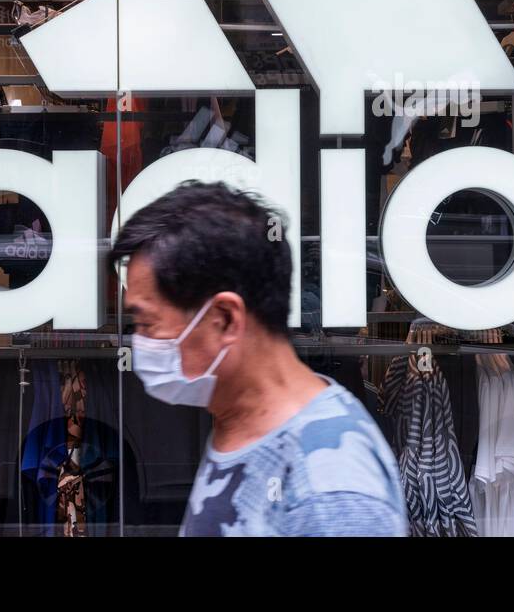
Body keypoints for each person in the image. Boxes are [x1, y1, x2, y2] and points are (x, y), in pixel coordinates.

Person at [111, 180, 407, 536]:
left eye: (148, 323)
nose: (140, 342)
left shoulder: (331, 486)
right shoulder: (238, 424)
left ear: (225, 319)